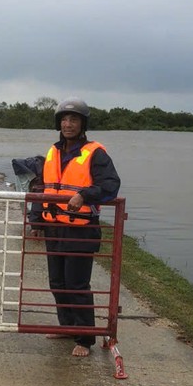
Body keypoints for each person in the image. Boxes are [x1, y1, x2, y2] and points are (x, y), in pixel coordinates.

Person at [40, 97, 120, 357]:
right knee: (57, 283)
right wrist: (36, 220)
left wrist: (85, 194)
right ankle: (67, 328)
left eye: (73, 119)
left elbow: (110, 185)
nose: (68, 124)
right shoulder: (53, 151)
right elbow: (43, 187)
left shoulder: (95, 152)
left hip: (80, 229)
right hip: (54, 227)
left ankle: (85, 339)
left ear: (83, 124)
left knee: (76, 285)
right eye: (64, 119)